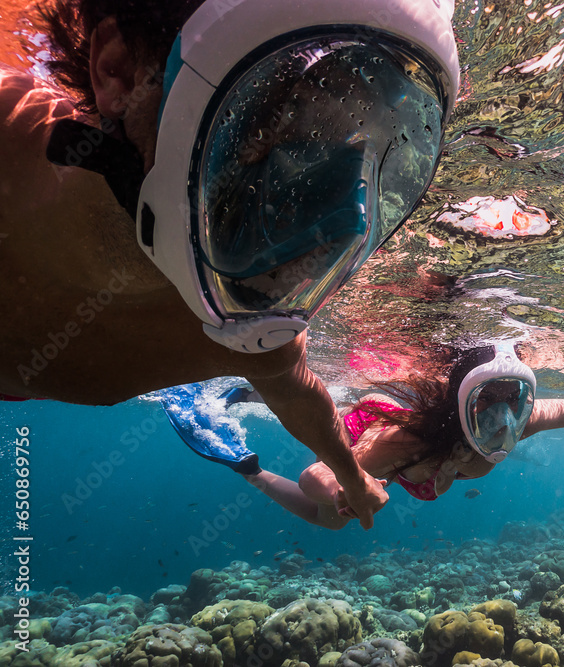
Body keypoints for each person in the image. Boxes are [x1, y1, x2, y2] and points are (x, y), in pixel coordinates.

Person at [0, 0, 461, 528]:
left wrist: (353, 478)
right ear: (121, 70)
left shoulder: (253, 327)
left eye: (345, 169)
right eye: (283, 143)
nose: (343, 228)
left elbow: (301, 398)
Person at [163, 342, 564, 529]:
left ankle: (248, 463)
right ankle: (248, 410)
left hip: (408, 467)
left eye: (512, 409)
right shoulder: (403, 441)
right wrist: (346, 488)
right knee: (325, 513)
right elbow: (315, 473)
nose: (502, 426)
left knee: (329, 525)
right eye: (487, 410)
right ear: (461, 408)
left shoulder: (516, 425)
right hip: (374, 431)